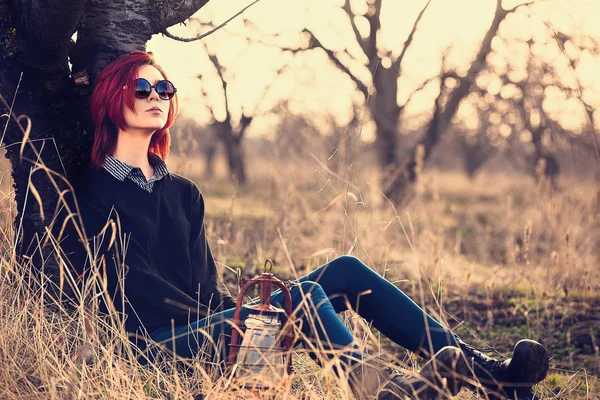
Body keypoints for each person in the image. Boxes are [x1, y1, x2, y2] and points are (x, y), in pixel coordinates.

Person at [62, 51, 549, 400]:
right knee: (303, 299)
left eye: (164, 89)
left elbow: (204, 288)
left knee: (344, 270)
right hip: (153, 349)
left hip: (209, 330)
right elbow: (130, 294)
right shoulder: (92, 190)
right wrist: (245, 322)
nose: (156, 96)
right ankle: (384, 393)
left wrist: (250, 315)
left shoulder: (184, 192)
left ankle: (489, 375)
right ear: (112, 99)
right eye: (142, 88)